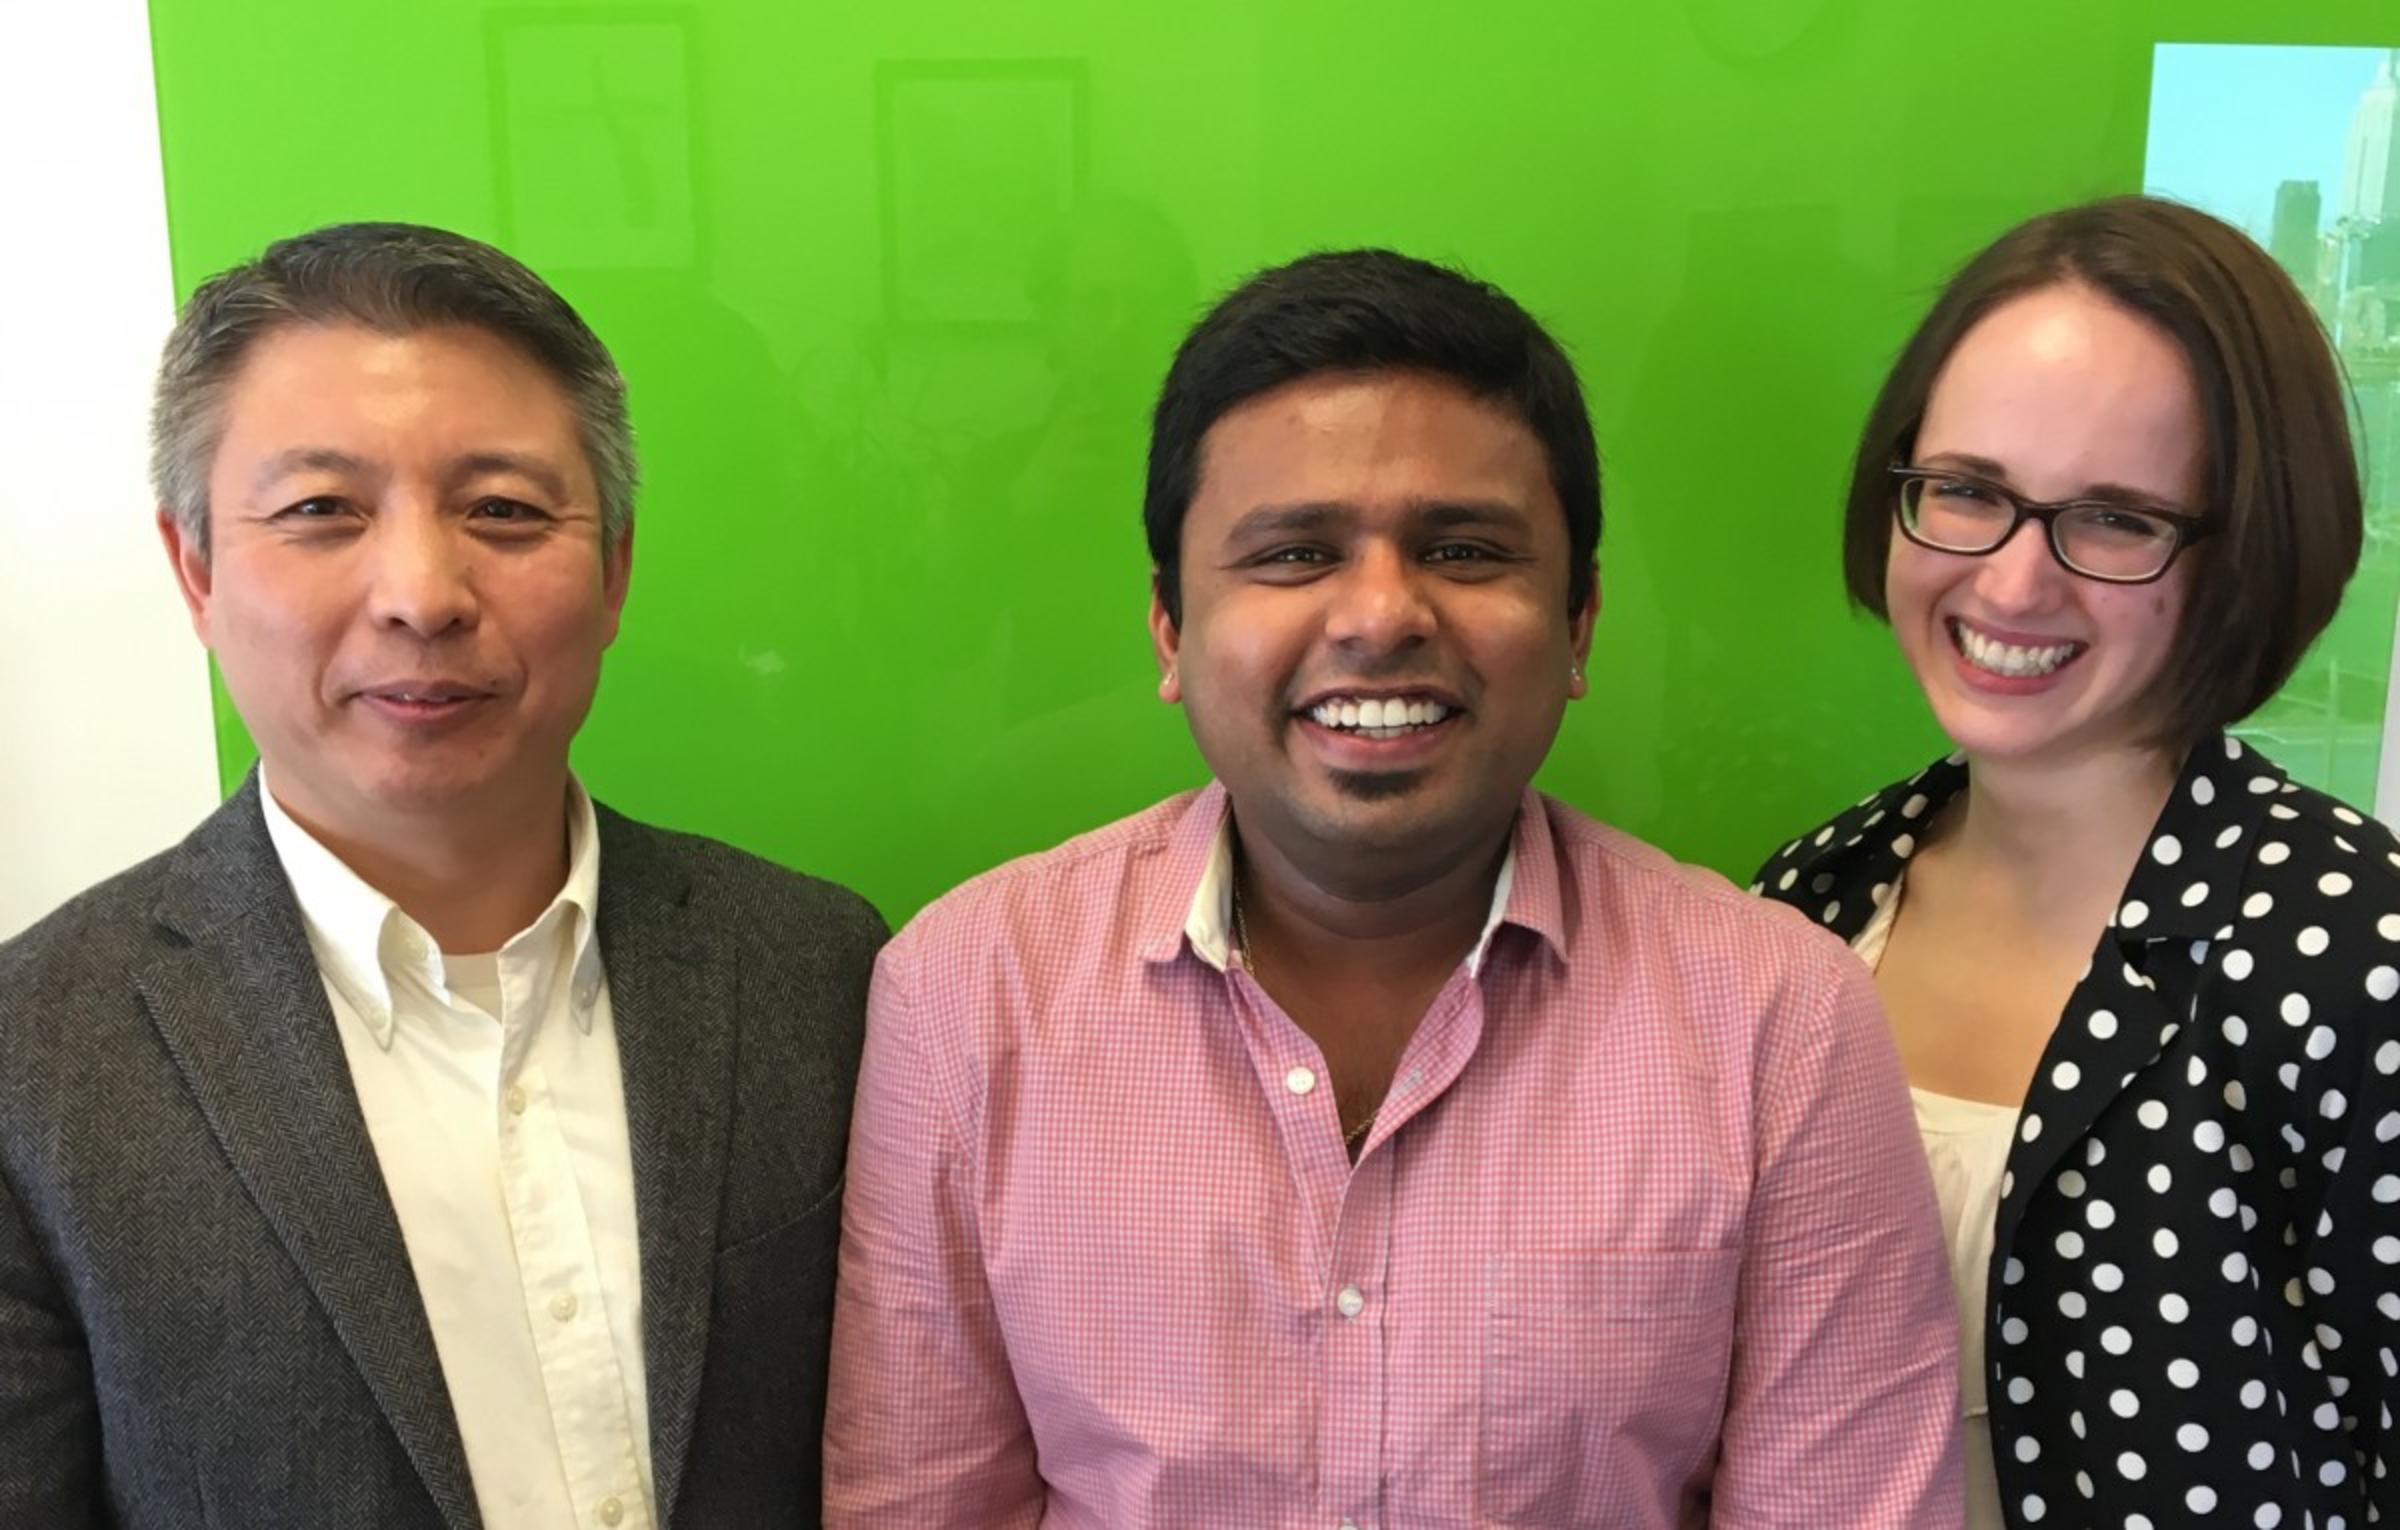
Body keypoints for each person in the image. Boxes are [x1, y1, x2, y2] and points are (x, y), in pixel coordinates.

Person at [825, 248, 1962, 1527]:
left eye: (1464, 549)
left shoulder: (1778, 1024)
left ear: (1578, 622)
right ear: (1170, 628)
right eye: (1296, 554)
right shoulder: (966, 996)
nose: (1379, 614)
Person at [0, 222, 884, 1529]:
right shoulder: (35, 1057)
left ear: (613, 567)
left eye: (505, 511)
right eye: (321, 512)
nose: (422, 591)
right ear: (194, 569)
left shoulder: (823, 966)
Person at [1753, 195, 2391, 1529]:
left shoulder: (2354, 962)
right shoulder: (1811, 899)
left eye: (2113, 518)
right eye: (1968, 490)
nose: (2012, 583)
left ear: (2245, 549)